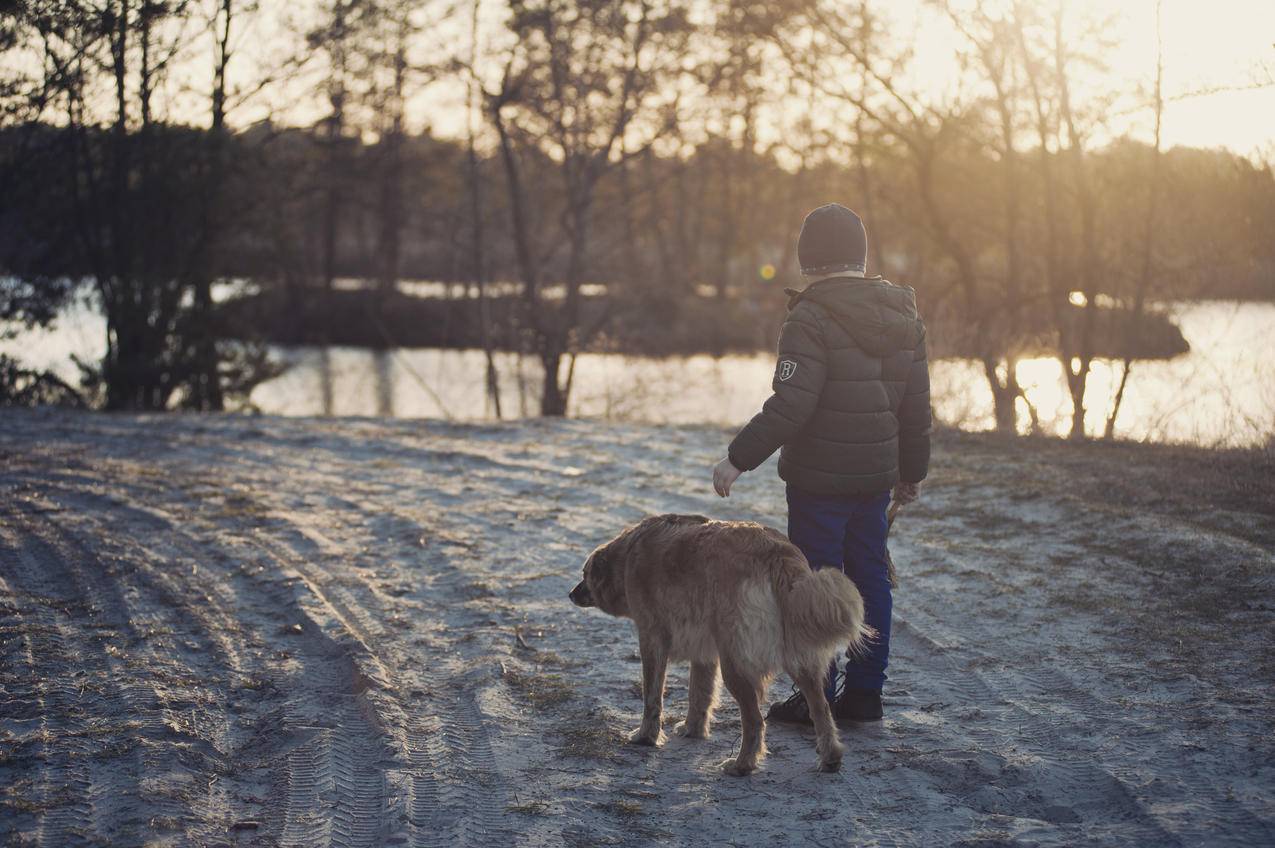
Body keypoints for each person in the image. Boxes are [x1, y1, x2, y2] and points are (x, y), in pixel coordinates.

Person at [711, 203, 931, 723]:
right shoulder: (904, 315)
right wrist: (910, 472)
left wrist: (737, 458)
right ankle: (865, 695)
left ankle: (816, 698)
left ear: (809, 258)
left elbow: (791, 404)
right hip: (875, 477)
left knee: (813, 582)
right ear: (860, 254)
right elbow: (916, 407)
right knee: (870, 577)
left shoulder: (808, 317)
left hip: (819, 482)